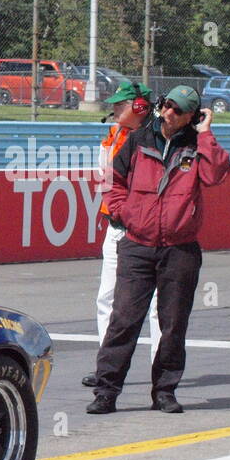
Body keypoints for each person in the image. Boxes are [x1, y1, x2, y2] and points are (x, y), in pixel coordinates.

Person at [87, 85, 230, 414]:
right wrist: (126, 213)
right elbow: (113, 181)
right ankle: (105, 392)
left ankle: (165, 391)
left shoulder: (198, 146)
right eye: (166, 105)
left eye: (178, 110)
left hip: (180, 249)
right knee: (123, 320)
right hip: (137, 244)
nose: (168, 113)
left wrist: (206, 134)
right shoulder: (138, 140)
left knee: (173, 322)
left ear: (192, 117)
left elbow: (216, 174)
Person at [81, 79, 160, 387]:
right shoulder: (113, 134)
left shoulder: (154, 139)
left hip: (143, 232)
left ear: (139, 107)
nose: (113, 109)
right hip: (115, 228)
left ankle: (160, 369)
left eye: (120, 104)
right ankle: (107, 368)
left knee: (157, 306)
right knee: (107, 298)